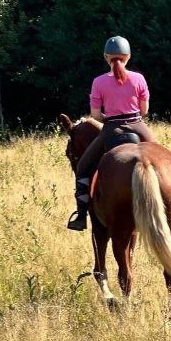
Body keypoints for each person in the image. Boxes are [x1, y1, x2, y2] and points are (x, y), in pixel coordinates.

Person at [67, 35, 155, 231]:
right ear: (128, 57)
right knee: (160, 158)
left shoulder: (98, 82)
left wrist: (111, 117)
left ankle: (81, 215)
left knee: (82, 167)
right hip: (137, 125)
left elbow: (96, 115)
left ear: (106, 57)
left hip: (110, 129)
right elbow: (144, 111)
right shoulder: (139, 78)